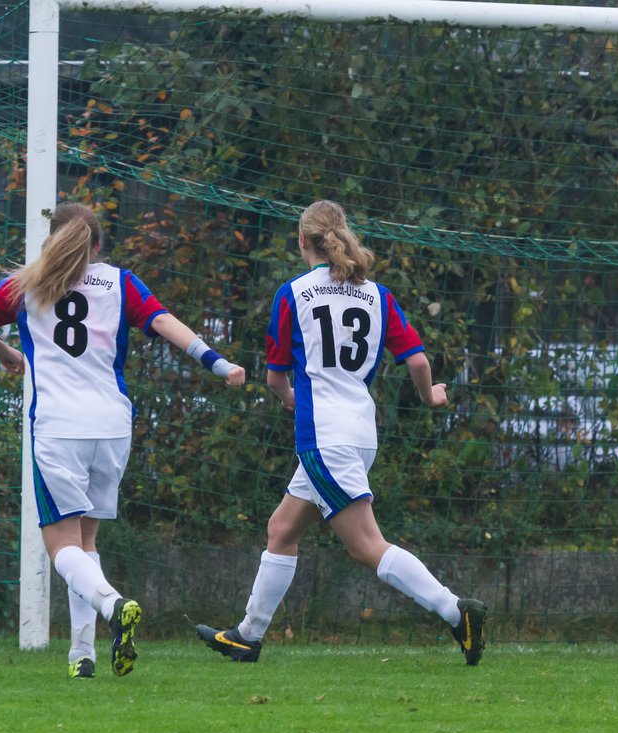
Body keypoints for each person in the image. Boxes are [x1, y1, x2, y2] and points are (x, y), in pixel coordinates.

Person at [0, 202, 246, 678]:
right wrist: (218, 363)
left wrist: (6, 352)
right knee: (86, 539)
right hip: (111, 425)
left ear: (51, 240)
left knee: (60, 546)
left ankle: (113, 606)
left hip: (58, 426)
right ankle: (81, 655)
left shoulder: (26, 284)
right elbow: (166, 322)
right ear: (99, 245)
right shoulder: (120, 281)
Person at [195, 200, 487, 665]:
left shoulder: (293, 294)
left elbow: (275, 379)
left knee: (367, 545)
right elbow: (417, 360)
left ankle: (456, 612)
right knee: (281, 530)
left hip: (324, 437)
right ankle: (248, 634)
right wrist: (431, 395)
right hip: (359, 433)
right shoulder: (377, 295)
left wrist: (292, 401)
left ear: (302, 241)